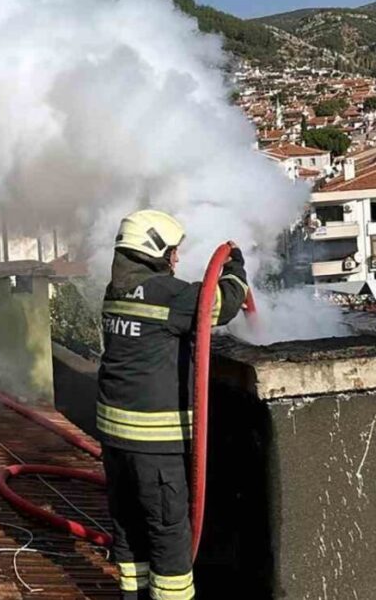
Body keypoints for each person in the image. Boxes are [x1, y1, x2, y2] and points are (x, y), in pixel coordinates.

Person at [97, 210, 249, 600]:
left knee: (129, 528)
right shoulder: (170, 295)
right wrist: (235, 267)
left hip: (115, 441)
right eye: (172, 251)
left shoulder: (114, 291)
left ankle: (133, 596)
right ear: (152, 251)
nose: (176, 258)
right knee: (168, 536)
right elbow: (223, 304)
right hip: (155, 445)